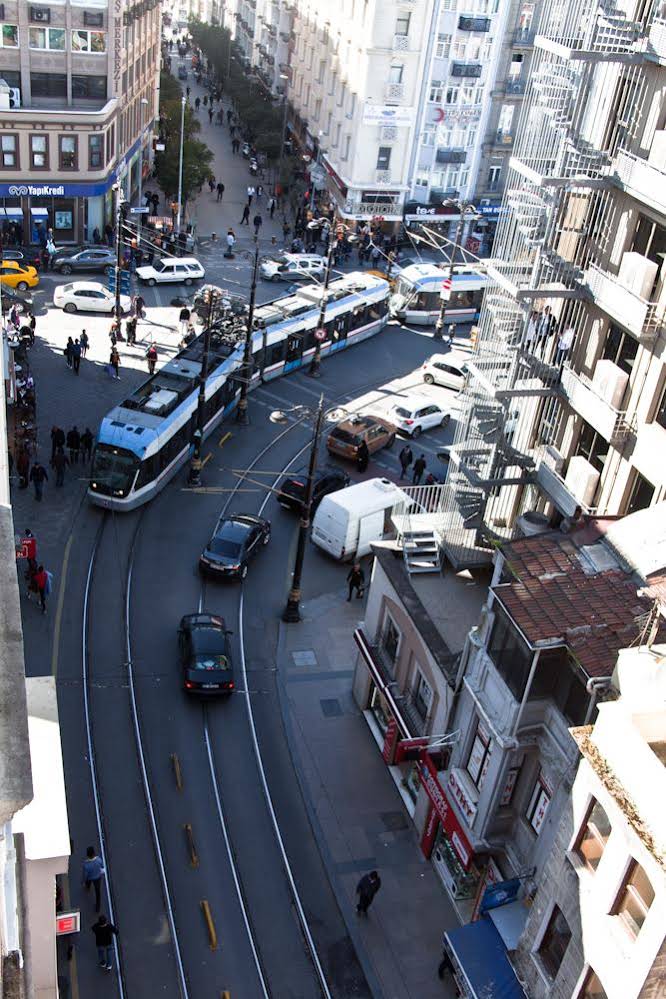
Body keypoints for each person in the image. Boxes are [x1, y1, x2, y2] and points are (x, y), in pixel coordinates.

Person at [82, 846, 105, 913]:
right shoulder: (99, 860)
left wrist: (83, 881)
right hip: (98, 878)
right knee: (98, 892)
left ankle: (87, 888)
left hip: (90, 878)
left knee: (88, 883)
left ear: (87, 855)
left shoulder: (86, 864)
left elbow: (85, 875)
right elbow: (102, 867)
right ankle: (98, 907)